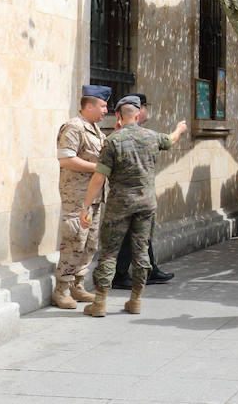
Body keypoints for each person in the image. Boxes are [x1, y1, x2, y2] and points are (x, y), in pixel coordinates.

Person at [78, 96, 187, 317]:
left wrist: (85, 206)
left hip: (119, 204)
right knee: (141, 252)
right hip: (146, 204)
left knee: (109, 252)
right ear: (137, 116)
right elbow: (171, 139)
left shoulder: (112, 141)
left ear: (118, 116)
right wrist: (179, 128)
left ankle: (99, 303)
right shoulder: (151, 137)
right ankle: (136, 300)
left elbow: (99, 177)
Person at [52, 85, 112, 309]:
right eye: (103, 106)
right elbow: (66, 159)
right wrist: (97, 167)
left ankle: (78, 285)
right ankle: (62, 290)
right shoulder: (73, 127)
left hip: (94, 197)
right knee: (74, 240)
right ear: (89, 105)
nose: (106, 110)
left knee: (89, 243)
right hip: (76, 197)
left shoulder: (95, 129)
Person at [111, 94, 177, 288]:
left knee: (140, 235)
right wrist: (179, 130)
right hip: (132, 198)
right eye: (144, 106)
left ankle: (147, 271)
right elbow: (168, 141)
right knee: (132, 236)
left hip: (133, 197)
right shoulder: (141, 135)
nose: (146, 110)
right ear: (137, 112)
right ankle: (122, 274)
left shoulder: (122, 134)